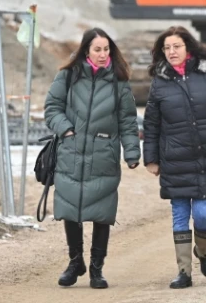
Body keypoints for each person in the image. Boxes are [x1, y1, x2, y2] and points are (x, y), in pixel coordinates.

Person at [142, 26, 206, 289]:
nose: (171, 52)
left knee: (203, 213)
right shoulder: (160, 81)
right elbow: (151, 124)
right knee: (180, 215)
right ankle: (184, 271)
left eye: (176, 46)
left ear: (188, 47)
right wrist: (151, 158)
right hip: (174, 159)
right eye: (167, 48)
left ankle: (203, 252)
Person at [44, 27, 141, 289]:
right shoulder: (67, 75)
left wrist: (132, 152)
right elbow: (52, 108)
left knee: (101, 212)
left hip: (104, 155)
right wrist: (65, 128)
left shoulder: (119, 81)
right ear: (86, 50)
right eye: (97, 49)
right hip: (71, 152)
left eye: (106, 49)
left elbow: (128, 121)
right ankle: (76, 262)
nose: (102, 54)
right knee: (69, 207)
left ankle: (97, 269)